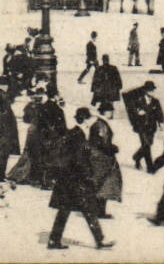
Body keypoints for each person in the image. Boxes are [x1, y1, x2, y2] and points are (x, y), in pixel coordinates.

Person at [47, 107, 112, 251]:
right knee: (86, 208)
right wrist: (88, 175)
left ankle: (54, 240)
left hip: (67, 180)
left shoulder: (73, 133)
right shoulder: (78, 136)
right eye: (89, 119)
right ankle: (99, 240)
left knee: (68, 210)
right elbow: (78, 159)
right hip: (76, 180)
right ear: (85, 120)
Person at [88, 104, 123, 219]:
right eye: (110, 111)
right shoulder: (100, 125)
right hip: (101, 157)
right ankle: (98, 211)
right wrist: (112, 148)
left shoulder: (100, 124)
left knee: (103, 183)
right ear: (104, 112)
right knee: (103, 182)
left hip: (101, 157)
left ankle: (99, 211)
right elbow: (101, 143)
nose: (112, 113)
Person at [123, 80, 163, 171]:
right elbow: (132, 112)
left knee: (149, 143)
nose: (151, 92)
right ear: (145, 90)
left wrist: (160, 122)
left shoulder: (155, 101)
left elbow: (159, 112)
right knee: (146, 145)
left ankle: (137, 157)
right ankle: (150, 167)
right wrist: (137, 114)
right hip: (141, 126)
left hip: (152, 126)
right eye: (149, 90)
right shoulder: (138, 100)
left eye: (152, 90)